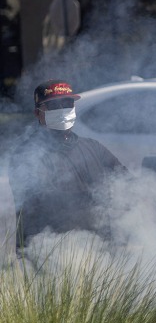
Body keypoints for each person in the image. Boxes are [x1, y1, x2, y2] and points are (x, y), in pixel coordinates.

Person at [7, 80, 126, 252]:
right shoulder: (26, 155)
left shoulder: (93, 147)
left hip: (98, 247)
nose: (62, 109)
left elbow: (124, 180)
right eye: (54, 105)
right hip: (47, 250)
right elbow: (51, 203)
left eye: (67, 103)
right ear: (38, 113)